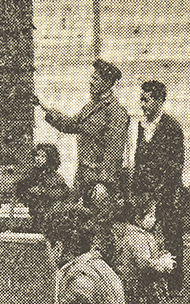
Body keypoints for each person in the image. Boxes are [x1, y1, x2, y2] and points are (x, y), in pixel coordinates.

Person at [35, 59, 129, 207]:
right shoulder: (91, 107)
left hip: (99, 182)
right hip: (83, 175)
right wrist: (43, 107)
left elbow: (114, 152)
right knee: (71, 217)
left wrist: (103, 184)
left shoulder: (116, 112)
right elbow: (71, 125)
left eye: (96, 79)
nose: (91, 82)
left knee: (94, 222)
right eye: (92, 77)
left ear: (107, 83)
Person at [126, 81, 185, 295]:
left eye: (147, 100)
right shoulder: (140, 127)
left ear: (159, 101)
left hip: (167, 191)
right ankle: (148, 278)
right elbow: (138, 160)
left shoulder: (172, 128)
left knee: (171, 235)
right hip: (144, 191)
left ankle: (174, 283)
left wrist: (159, 198)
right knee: (142, 234)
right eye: (141, 99)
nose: (142, 104)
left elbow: (175, 166)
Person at [114, 194, 174, 304]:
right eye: (150, 215)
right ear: (138, 217)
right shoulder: (136, 237)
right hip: (137, 287)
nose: (153, 219)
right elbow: (144, 264)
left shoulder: (144, 235)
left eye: (154, 215)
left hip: (141, 286)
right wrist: (161, 265)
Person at [16, 143, 70, 230]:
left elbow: (63, 192)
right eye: (37, 155)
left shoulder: (54, 176)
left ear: (49, 159)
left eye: (42, 156)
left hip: (50, 215)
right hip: (34, 212)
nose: (38, 159)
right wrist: (28, 193)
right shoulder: (32, 174)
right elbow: (21, 188)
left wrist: (43, 191)